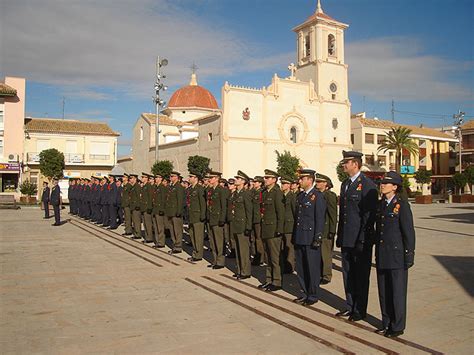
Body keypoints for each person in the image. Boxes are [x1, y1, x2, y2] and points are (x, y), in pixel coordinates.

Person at [336, 151, 378, 321]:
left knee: (360, 276)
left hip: (360, 240)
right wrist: (340, 236)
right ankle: (350, 305)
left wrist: (362, 238)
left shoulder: (367, 185)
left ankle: (360, 310)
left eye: (346, 162)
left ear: (355, 164)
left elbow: (369, 216)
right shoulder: (345, 184)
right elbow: (345, 214)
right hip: (347, 238)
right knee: (348, 274)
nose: (344, 165)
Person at [375, 171, 416, 338]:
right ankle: (386, 322)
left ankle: (397, 326)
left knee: (397, 292)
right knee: (384, 291)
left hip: (396, 255)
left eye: (386, 183)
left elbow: (408, 232)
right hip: (383, 254)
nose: (382, 185)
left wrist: (409, 254)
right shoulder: (382, 204)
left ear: (395, 186)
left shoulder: (402, 205)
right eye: (382, 182)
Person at [292, 169, 326, 306]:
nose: (300, 181)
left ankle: (313, 295)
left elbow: (319, 218)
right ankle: (304, 292)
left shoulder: (317, 196)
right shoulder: (301, 196)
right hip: (300, 236)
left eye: (302, 179)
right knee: (301, 268)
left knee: (312, 268)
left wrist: (318, 237)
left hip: (311, 237)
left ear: (310, 180)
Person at [258, 169, 285, 292]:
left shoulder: (277, 193)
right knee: (268, 257)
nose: (265, 179)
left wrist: (279, 229)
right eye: (265, 177)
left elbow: (281, 213)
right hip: (266, 228)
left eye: (268, 178)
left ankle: (277, 281)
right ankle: (269, 280)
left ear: (274, 180)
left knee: (275, 258)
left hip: (274, 230)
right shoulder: (265, 192)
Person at [228, 171, 253, 279]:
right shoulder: (236, 193)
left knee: (243, 250)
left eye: (238, 179)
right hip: (236, 224)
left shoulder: (246, 194)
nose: (236, 180)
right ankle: (240, 269)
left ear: (243, 181)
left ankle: (245, 271)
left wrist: (248, 227)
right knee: (238, 249)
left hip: (242, 226)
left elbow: (249, 211)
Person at [315, 173, 338, 284]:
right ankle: (319, 273)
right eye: (317, 181)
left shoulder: (329, 195)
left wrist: (332, 230)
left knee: (325, 254)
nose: (317, 183)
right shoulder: (317, 194)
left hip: (326, 228)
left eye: (319, 182)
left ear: (326, 184)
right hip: (318, 229)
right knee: (318, 254)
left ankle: (326, 275)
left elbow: (332, 214)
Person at [206, 171, 227, 269]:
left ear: (217, 179)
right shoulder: (211, 190)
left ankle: (220, 261)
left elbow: (224, 206)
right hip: (211, 218)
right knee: (213, 241)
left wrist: (222, 219)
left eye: (212, 177)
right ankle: (215, 260)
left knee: (219, 241)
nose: (210, 179)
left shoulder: (221, 190)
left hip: (218, 219)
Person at [186, 173, 206, 261]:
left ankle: (198, 255)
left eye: (191, 177)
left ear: (196, 178)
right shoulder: (190, 189)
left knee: (198, 237)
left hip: (198, 216)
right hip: (191, 216)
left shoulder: (200, 189)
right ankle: (195, 253)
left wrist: (202, 215)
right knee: (192, 235)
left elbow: (202, 203)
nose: (189, 178)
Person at [165, 171, 185, 253]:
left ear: (177, 177)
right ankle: (175, 245)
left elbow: (180, 201)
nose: (170, 178)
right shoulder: (171, 186)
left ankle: (178, 246)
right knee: (172, 230)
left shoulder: (179, 187)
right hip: (171, 212)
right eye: (170, 176)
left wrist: (179, 211)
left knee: (177, 230)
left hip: (176, 212)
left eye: (172, 176)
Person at [280, 176, 296, 274]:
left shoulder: (292, 196)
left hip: (289, 225)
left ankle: (289, 267)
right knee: (282, 247)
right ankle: (284, 265)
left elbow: (295, 212)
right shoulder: (281, 196)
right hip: (282, 225)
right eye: (282, 184)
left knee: (289, 247)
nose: (282, 185)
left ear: (289, 185)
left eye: (284, 184)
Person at [140, 173, 154, 242]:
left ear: (146, 178)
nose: (142, 178)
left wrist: (149, 207)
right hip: (143, 207)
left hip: (147, 207)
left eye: (143, 177)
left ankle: (150, 238)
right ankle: (147, 237)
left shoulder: (148, 186)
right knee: (145, 223)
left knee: (148, 224)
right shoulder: (144, 186)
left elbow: (150, 197)